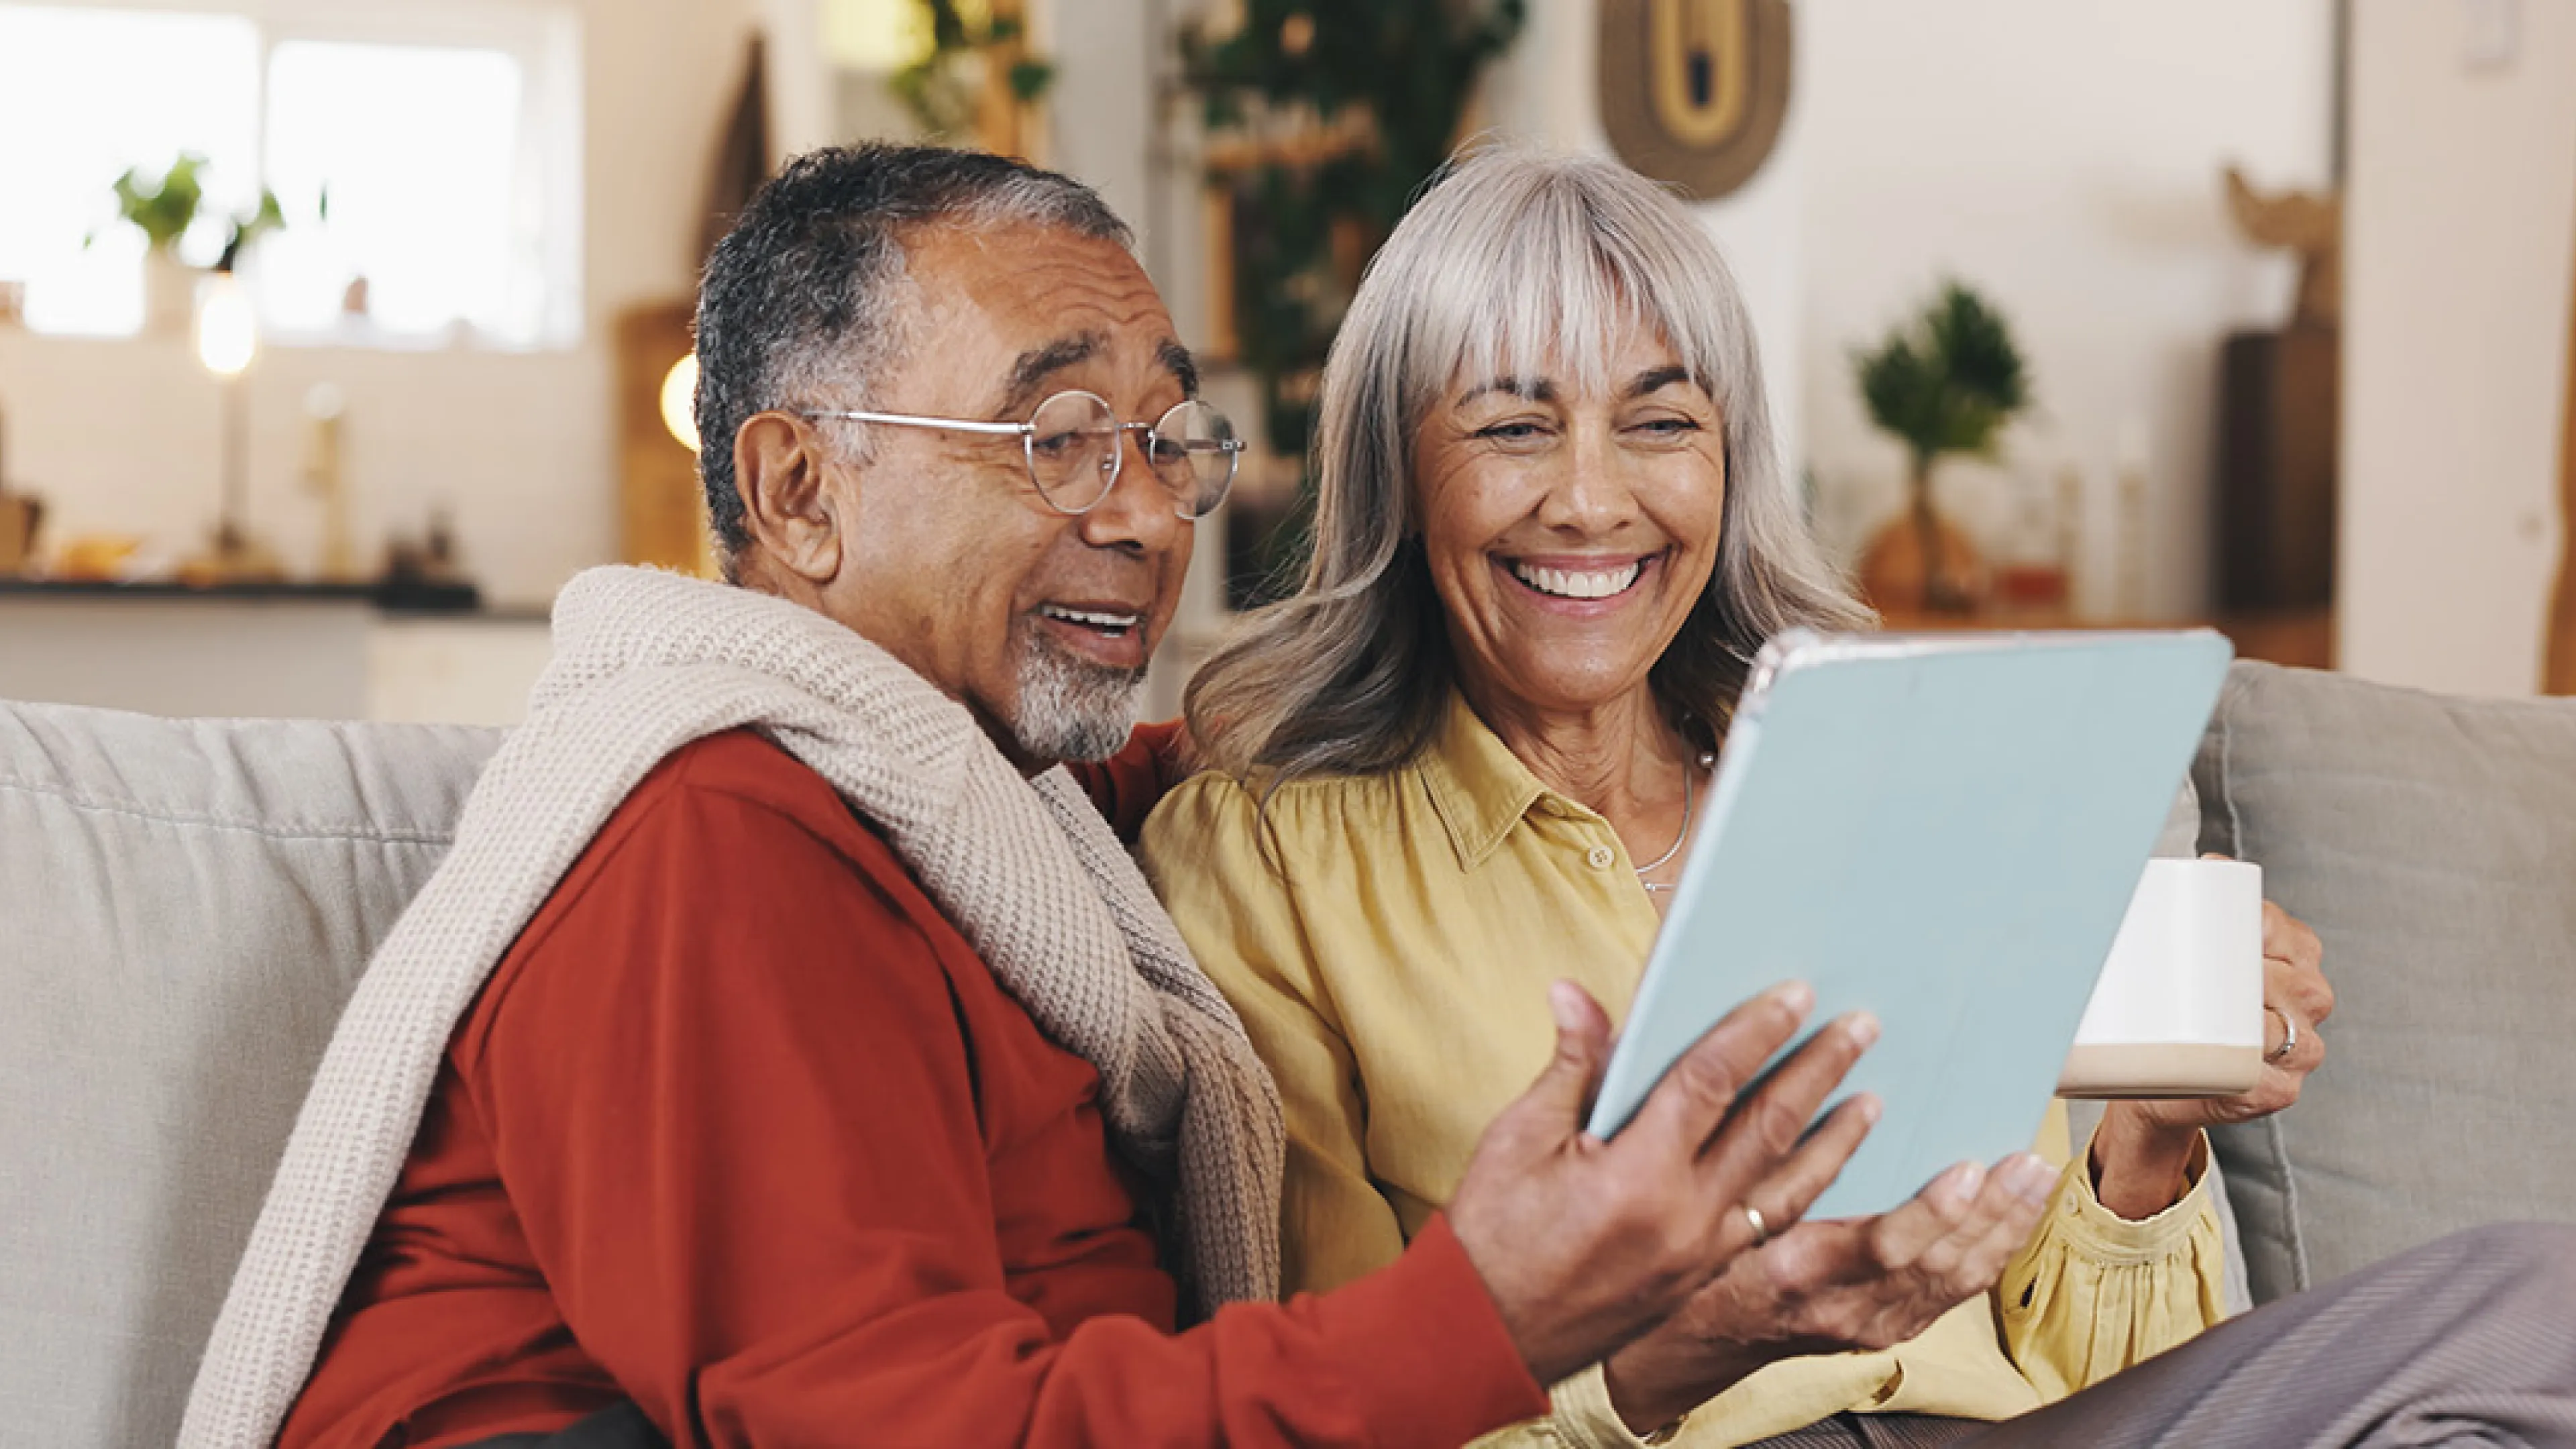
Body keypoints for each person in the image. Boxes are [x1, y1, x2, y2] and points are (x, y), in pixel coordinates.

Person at [177, 144, 1888, 1449]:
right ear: (799, 489)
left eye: (1168, 441)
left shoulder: (992, 810)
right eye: (1060, 437)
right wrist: (1487, 1315)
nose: (1147, 516)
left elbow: (1220, 762)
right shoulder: (712, 845)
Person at [1146, 146, 2576, 1448]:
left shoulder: (1905, 779)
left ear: (1729, 464)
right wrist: (1689, 1351)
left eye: (1658, 425)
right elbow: (1335, 1423)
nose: (1590, 503)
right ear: (1399, 466)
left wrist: (2150, 1144)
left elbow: (2099, 1376)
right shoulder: (1268, 861)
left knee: (2535, 1298)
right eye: (1514, 430)